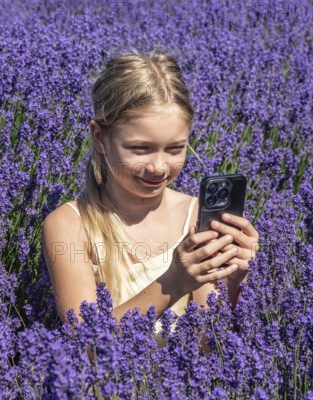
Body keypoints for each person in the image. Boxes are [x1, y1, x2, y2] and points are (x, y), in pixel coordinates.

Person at [41, 48, 260, 342]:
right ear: (99, 137)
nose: (158, 167)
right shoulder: (70, 226)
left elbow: (212, 343)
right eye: (140, 149)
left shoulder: (196, 217)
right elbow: (87, 344)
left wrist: (237, 281)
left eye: (174, 149)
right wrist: (173, 282)